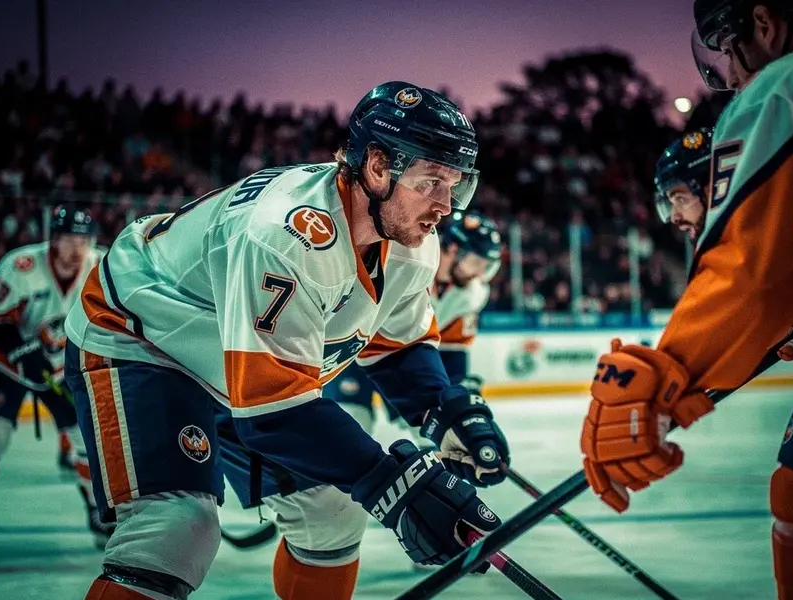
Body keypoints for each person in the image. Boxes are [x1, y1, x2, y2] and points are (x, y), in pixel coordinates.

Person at [63, 81, 509, 600]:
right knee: (175, 529)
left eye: (457, 184)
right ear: (378, 166)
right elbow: (272, 410)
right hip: (142, 337)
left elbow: (399, 347)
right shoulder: (287, 235)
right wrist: (392, 483)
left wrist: (448, 412)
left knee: (332, 513)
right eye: (432, 181)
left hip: (236, 364)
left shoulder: (411, 239)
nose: (447, 205)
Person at [581, 2, 793, 599]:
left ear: (766, 24)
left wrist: (668, 375)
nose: (733, 79)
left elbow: (756, 269)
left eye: (728, 46)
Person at [0, 205, 112, 547]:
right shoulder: (21, 267)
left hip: (60, 370)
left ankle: (98, 510)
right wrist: (20, 351)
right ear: (54, 240)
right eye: (70, 240)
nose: (78, 249)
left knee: (85, 441)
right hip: (6, 369)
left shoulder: (100, 266)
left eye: (83, 240)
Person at [327, 209, 503, 435]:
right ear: (452, 249)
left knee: (433, 432)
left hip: (398, 358)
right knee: (352, 427)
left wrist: (457, 391)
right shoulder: (407, 262)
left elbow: (452, 351)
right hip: (351, 350)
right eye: (475, 262)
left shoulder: (472, 294)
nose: (479, 273)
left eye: (487, 266)